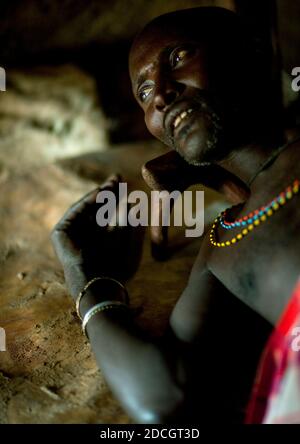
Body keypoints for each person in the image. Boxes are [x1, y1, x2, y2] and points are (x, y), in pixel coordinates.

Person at [51, 7, 300, 423]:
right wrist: (86, 277)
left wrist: (215, 173)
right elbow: (164, 398)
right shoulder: (227, 239)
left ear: (252, 52)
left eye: (178, 58)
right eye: (144, 92)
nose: (162, 95)